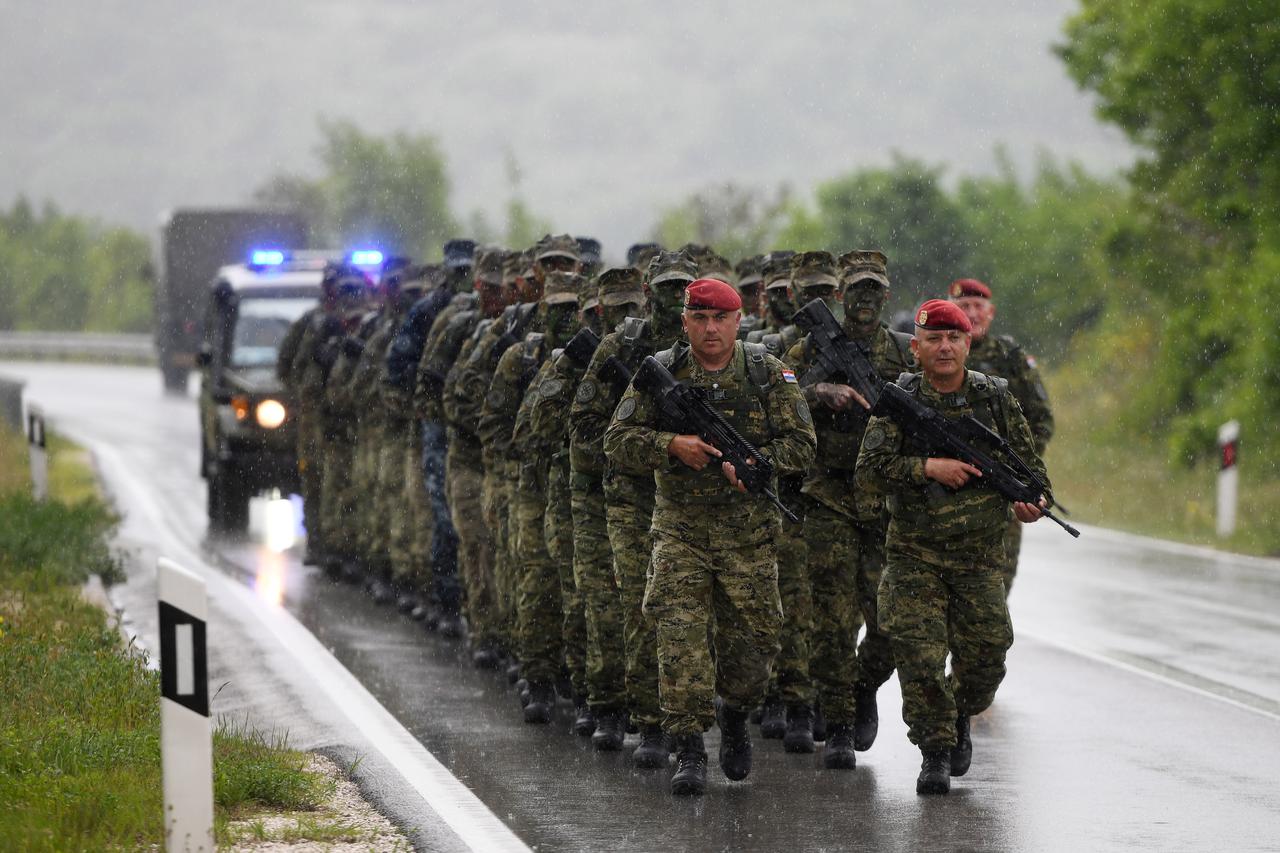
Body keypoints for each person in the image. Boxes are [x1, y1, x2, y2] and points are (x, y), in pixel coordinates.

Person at [604, 277, 816, 797]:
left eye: (720, 318)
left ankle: (736, 712)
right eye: (699, 318)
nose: (710, 328)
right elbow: (616, 440)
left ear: (738, 320)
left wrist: (758, 468)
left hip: (748, 535)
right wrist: (670, 444)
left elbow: (803, 444)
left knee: (756, 643)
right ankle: (690, 747)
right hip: (680, 530)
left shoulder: (767, 372)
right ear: (685, 322)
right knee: (678, 639)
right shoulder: (663, 371)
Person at [855, 298, 1049, 795]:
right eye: (934, 339)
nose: (945, 347)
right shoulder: (899, 398)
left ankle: (961, 712)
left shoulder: (996, 398)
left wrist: (1034, 500)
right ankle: (934, 750)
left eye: (954, 338)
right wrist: (925, 468)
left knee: (987, 657)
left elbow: (1030, 468)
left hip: (979, 558)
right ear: (915, 348)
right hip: (914, 555)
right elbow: (869, 471)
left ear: (969, 344)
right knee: (919, 658)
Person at [782, 250, 914, 767]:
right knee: (831, 620)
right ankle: (837, 723)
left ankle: (863, 688)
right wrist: (820, 392)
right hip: (829, 497)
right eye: (855, 290)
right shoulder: (806, 348)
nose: (864, 300)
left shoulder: (903, 354)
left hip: (883, 502)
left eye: (873, 291)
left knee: (889, 623)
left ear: (886, 296)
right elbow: (776, 402)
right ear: (840, 295)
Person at [572, 249, 696, 768]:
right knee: (636, 608)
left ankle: (685, 714)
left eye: (683, 289)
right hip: (629, 497)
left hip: (694, 500)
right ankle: (646, 719)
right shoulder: (620, 346)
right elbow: (585, 424)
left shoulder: (713, 348)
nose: (674, 298)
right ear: (650, 294)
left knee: (685, 616)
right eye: (665, 288)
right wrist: (658, 442)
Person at [949, 278, 1055, 595]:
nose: (971, 314)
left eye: (977, 306)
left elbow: (1041, 418)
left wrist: (1017, 464)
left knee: (994, 592)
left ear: (990, 312)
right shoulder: (939, 352)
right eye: (963, 307)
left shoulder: (1010, 357)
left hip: (1001, 492)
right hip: (947, 489)